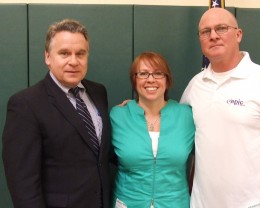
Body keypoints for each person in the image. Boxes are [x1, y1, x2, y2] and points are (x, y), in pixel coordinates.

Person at [181, 8, 260, 208]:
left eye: (221, 28)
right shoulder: (195, 86)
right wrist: (135, 107)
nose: (213, 36)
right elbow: (173, 124)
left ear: (238, 34)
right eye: (205, 31)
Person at [2, 19, 112, 208]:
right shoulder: (25, 104)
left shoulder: (98, 92)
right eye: (64, 53)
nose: (73, 61)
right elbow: (23, 184)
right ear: (47, 57)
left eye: (80, 53)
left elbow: (100, 154)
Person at [110, 52, 195, 207]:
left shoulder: (186, 116)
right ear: (134, 80)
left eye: (158, 73)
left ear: (167, 80)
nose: (150, 79)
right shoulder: (118, 116)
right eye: (143, 74)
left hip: (175, 203)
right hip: (128, 202)